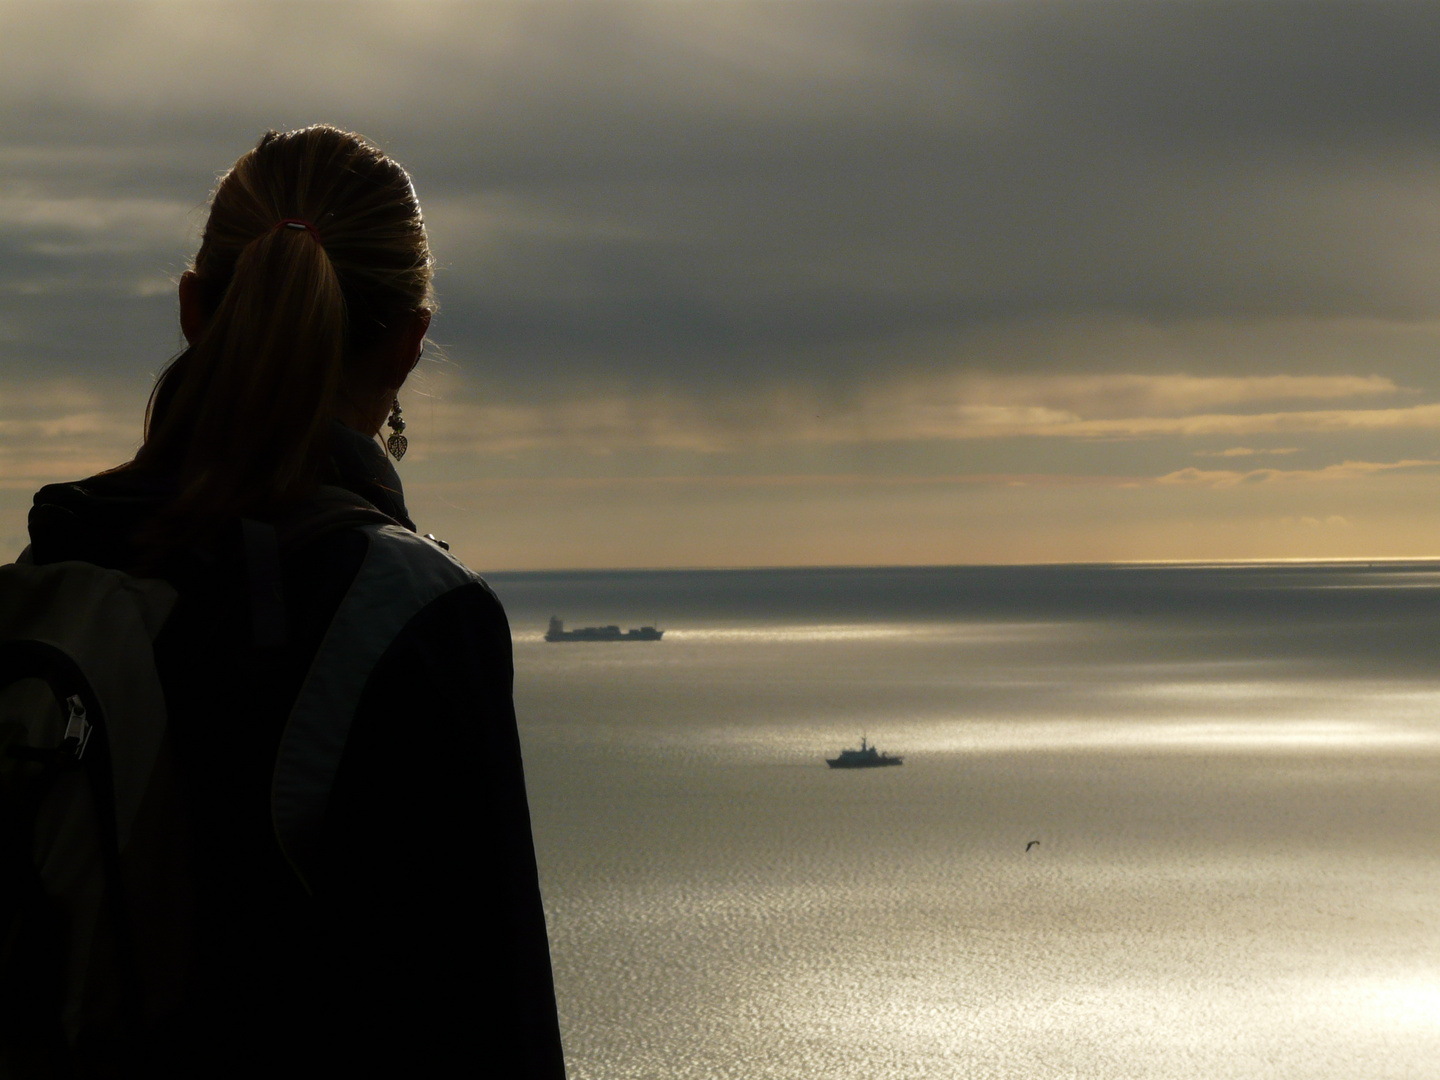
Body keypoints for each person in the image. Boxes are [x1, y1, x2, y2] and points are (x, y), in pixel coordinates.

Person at [21, 126, 566, 1074]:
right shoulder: (414, 616)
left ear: (194, 309)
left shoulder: (57, 561)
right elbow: (492, 1026)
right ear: (408, 342)